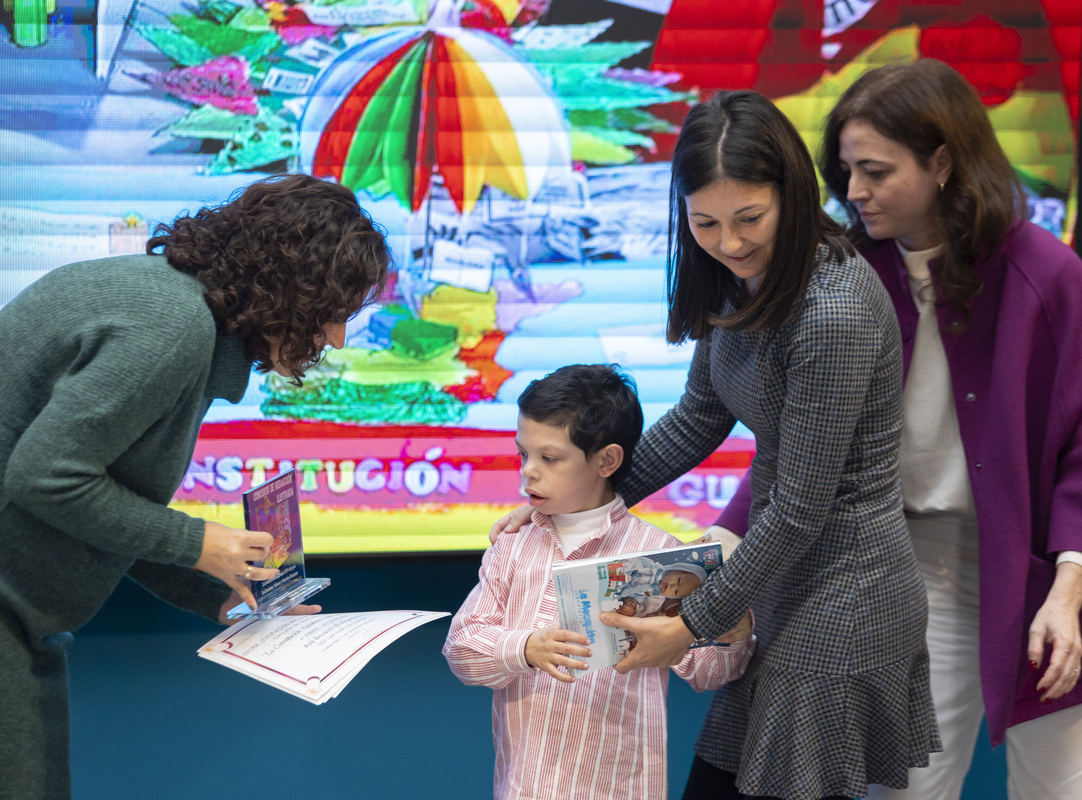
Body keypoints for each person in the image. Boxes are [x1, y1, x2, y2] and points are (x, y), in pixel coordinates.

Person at [491, 90, 942, 799]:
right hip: (782, 580)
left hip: (846, 594)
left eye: (749, 219)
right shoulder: (736, 284)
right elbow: (699, 417)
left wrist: (692, 624)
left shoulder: (834, 311)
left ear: (791, 195)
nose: (729, 243)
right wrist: (584, 500)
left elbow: (797, 510)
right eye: (705, 223)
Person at [0, 173, 393, 799]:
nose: (337, 336)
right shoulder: (170, 326)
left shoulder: (172, 308)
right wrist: (200, 540)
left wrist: (218, 594)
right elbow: (46, 475)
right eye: (335, 311)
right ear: (289, 285)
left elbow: (104, 504)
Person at [710, 59, 1082, 799]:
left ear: (942, 162)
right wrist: (721, 554)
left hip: (1042, 573)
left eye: (875, 171)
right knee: (908, 787)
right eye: (845, 171)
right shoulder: (840, 276)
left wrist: (1071, 587)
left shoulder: (1049, 272)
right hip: (903, 569)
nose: (853, 194)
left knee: (1058, 785)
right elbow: (797, 448)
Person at [443, 364, 755, 800]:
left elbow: (706, 673)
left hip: (620, 787)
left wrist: (732, 632)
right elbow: (461, 650)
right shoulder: (512, 548)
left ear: (606, 460)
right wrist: (525, 647)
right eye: (523, 454)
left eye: (549, 458)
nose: (529, 471)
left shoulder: (659, 554)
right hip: (523, 787)